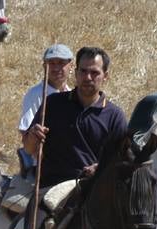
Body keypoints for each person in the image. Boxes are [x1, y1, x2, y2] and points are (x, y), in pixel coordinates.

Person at [21, 46, 128, 189]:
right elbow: (28, 149)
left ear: (105, 76)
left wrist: (100, 168)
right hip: (51, 189)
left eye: (94, 73)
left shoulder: (114, 116)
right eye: (83, 71)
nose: (88, 77)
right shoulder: (53, 103)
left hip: (93, 191)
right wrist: (33, 136)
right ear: (76, 72)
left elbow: (122, 161)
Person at [17, 43, 73, 137]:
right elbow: (25, 131)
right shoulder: (35, 94)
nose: (56, 68)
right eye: (51, 63)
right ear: (44, 66)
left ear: (71, 66)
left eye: (61, 63)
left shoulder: (73, 95)